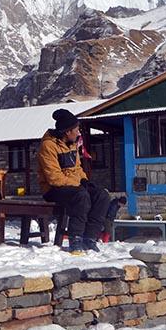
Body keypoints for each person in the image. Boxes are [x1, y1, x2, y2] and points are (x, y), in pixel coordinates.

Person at [37, 108, 111, 254]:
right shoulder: (48, 146)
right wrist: (78, 184)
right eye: (76, 130)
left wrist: (84, 180)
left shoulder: (72, 144)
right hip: (53, 190)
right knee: (81, 196)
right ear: (67, 131)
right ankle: (75, 238)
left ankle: (90, 238)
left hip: (73, 186)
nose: (79, 133)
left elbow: (77, 168)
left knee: (101, 195)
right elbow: (54, 178)